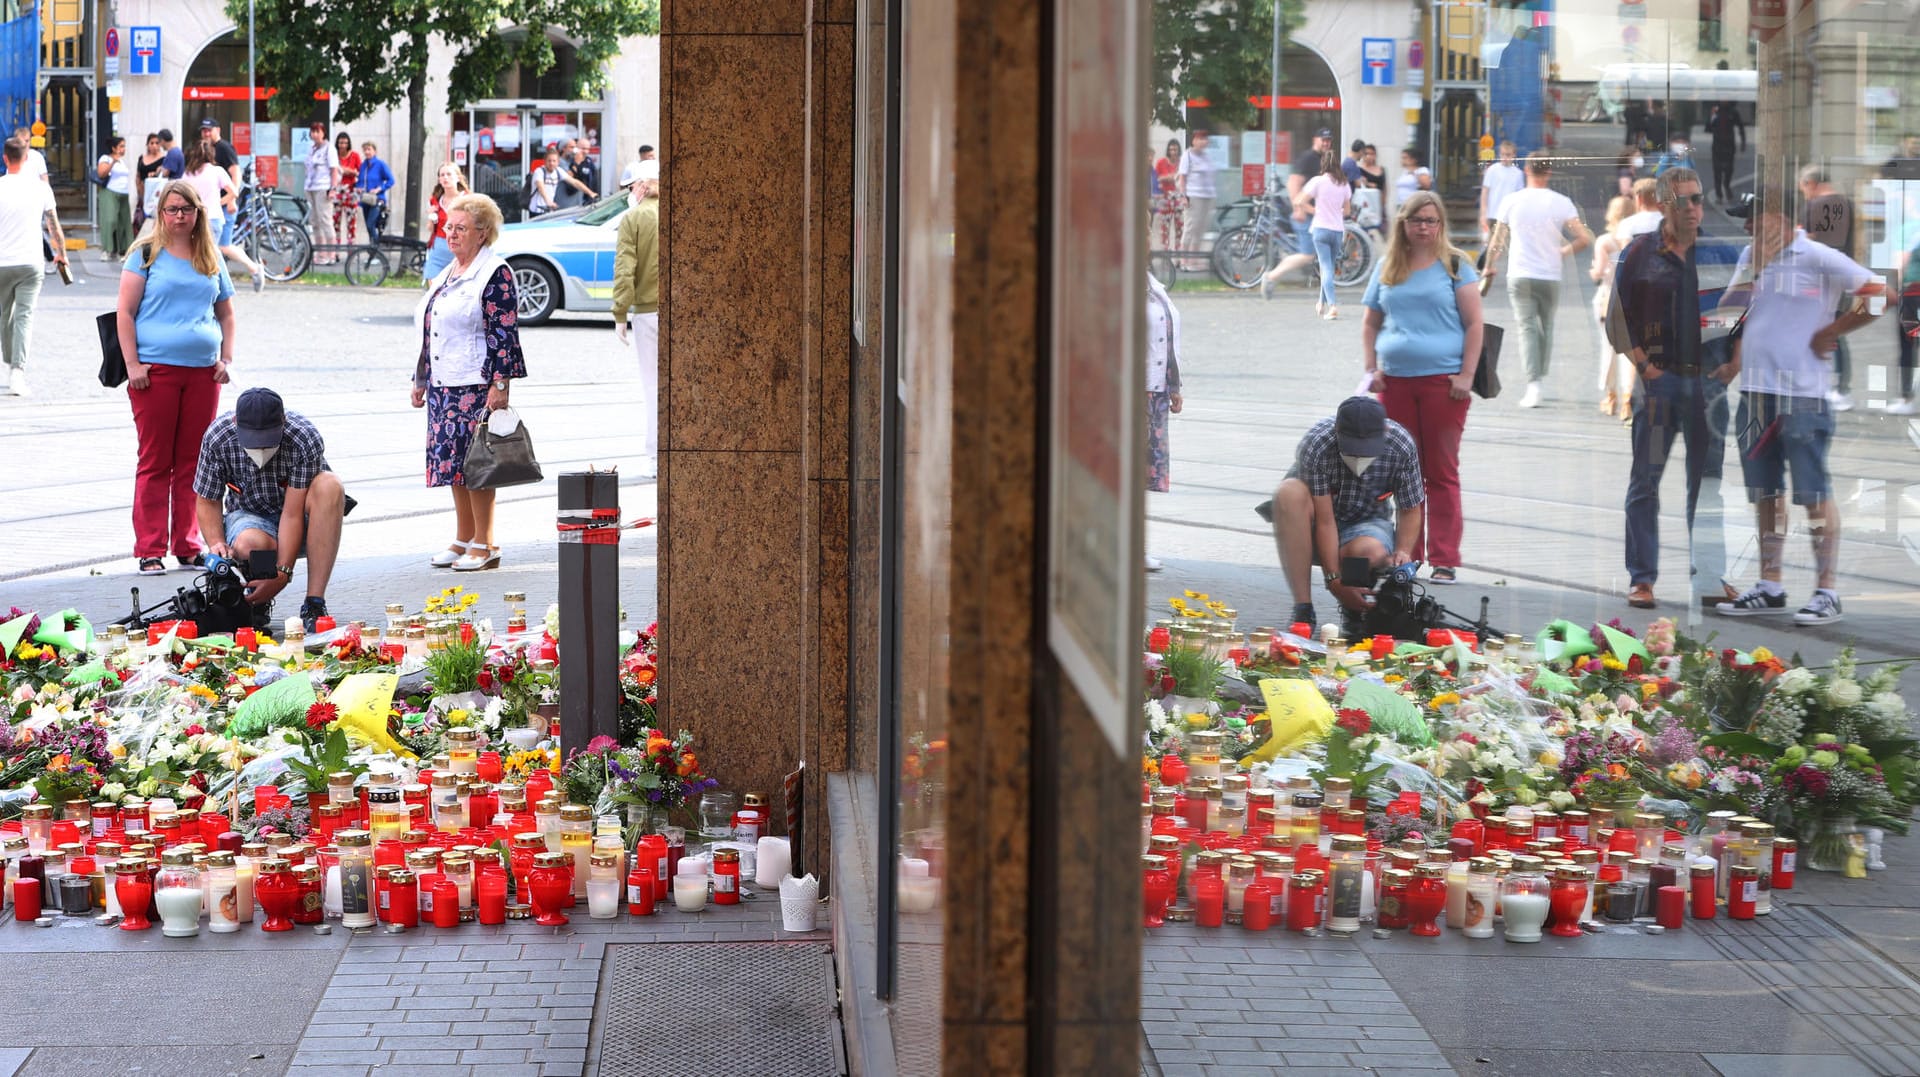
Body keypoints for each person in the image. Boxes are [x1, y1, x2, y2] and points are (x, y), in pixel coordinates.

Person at [1715, 199, 1884, 625]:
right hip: (1756, 393)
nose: (1750, 227)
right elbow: (1730, 311)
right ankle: (1770, 584)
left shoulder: (1816, 254)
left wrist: (1834, 329)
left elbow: (1881, 294)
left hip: (1802, 396)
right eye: (1747, 221)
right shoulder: (1752, 255)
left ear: (1782, 217)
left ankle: (1827, 591)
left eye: (1757, 219)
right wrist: (1754, 270)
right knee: (1766, 493)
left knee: (1812, 493)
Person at [1607, 168, 1728, 612]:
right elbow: (1617, 318)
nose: (1695, 208)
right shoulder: (1640, 253)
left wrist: (1733, 363)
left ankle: (1711, 577)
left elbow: (1742, 308)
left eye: (1698, 199)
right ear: (1663, 205)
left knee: (1708, 484)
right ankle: (1642, 579)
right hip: (1660, 384)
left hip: (1708, 385)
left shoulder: (1716, 252)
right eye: (1685, 201)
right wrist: (1644, 367)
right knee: (1646, 482)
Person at [1361, 191, 1483, 584]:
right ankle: (1406, 554)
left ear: (1441, 225)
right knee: (1401, 472)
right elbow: (1370, 323)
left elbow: (1475, 324)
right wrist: (1371, 369)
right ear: (1404, 224)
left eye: (1432, 221)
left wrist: (1467, 375)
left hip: (1443, 384)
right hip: (1394, 382)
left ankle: (1444, 557)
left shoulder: (1455, 265)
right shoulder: (1388, 266)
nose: (1425, 228)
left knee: (1440, 471)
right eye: (1418, 221)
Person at [117, 180, 234, 573]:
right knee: (155, 460)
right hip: (155, 373)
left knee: (194, 461)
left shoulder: (209, 255)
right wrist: (132, 365)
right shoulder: (145, 254)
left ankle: (187, 543)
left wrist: (226, 358)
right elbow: (125, 314)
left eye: (186, 209)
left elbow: (227, 313)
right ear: (161, 213)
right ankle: (150, 547)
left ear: (198, 213)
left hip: (203, 373)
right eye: (172, 209)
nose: (179, 216)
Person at [412, 192, 528, 572]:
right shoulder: (449, 271)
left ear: (483, 232)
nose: (451, 234)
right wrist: (421, 377)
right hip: (445, 382)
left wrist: (501, 384)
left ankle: (486, 541)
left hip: (476, 383)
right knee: (452, 466)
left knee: (478, 464)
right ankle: (463, 537)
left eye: (460, 228)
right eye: (448, 227)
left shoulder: (495, 272)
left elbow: (503, 333)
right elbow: (431, 326)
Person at [1269, 396, 1425, 633]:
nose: (1359, 458)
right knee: (1288, 493)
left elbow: (1411, 508)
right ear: (1337, 431)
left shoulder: (1401, 445)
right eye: (1353, 450)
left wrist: (1402, 551)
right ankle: (1303, 608)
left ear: (1384, 431)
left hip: (1367, 521)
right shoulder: (1317, 444)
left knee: (1370, 552)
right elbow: (1325, 521)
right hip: (1313, 522)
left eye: (1367, 451)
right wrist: (1333, 580)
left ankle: (1358, 609)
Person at [194, 388, 346, 631]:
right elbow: (207, 499)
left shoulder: (304, 437)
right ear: (236, 423)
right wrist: (217, 544)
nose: (261, 450)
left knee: (331, 486)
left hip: (299, 513)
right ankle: (256, 598)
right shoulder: (218, 437)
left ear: (283, 422)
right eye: (254, 442)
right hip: (249, 516)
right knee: (249, 543)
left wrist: (283, 574)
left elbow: (292, 513)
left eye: (268, 440)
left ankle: (314, 602)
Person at [1484, 151, 1592, 409]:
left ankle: (1534, 384)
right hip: (1550, 274)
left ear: (1526, 170)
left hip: (1520, 274)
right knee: (1546, 326)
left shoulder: (1511, 201)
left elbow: (1497, 241)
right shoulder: (1562, 202)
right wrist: (1565, 251)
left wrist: (1489, 267)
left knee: (1527, 327)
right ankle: (1539, 376)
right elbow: (1584, 237)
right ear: (1550, 172)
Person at [0, 138, 64, 397]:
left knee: (5, 316)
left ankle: (10, 363)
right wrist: (61, 254)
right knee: (24, 317)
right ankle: (17, 371)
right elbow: (53, 225)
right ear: (26, 159)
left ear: (5, 159)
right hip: (31, 262)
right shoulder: (41, 189)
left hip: (2, 262)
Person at [612, 160, 661, 476]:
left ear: (642, 186)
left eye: (631, 188)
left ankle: (657, 456)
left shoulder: (634, 217)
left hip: (648, 312)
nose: (630, 193)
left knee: (653, 386)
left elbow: (625, 268)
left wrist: (619, 312)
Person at [1798, 165, 1857, 411]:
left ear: (1810, 183)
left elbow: (1810, 241)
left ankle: (1834, 387)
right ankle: (1839, 387)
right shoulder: (1846, 204)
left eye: (1803, 189)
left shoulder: (1814, 206)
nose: (1804, 195)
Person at [182, 139, 266, 292]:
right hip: (214, 217)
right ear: (211, 154)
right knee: (213, 252)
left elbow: (182, 197)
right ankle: (218, 285)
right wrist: (218, 202)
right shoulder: (217, 171)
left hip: (194, 219)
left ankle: (212, 286)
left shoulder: (187, 174)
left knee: (203, 253)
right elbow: (234, 192)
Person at [1144, 271, 1183, 573]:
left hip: (1154, 392)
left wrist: (1174, 385)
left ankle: (1134, 545)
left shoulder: (1150, 281)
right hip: (1129, 388)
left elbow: (1167, 335)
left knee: (1140, 475)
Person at [1588, 193, 1638, 418]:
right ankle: (1629, 397)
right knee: (1630, 351)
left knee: (1608, 349)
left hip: (1608, 296)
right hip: (1633, 297)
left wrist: (1593, 271)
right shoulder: (1636, 240)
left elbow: (1598, 273)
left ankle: (1611, 397)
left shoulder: (1605, 241)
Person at [422, 163, 469, 284]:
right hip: (439, 246)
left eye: (449, 174)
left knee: (456, 288)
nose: (445, 178)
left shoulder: (467, 199)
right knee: (433, 288)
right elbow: (430, 228)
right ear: (439, 179)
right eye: (442, 175)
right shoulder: (435, 200)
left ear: (458, 177)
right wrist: (432, 217)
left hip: (460, 248)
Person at [304, 123, 341, 263]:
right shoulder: (311, 149)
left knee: (325, 220)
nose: (315, 134)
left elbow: (334, 170)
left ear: (323, 133)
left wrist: (332, 189)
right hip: (310, 187)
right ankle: (321, 253)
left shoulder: (329, 148)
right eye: (312, 132)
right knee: (314, 221)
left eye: (317, 131)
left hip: (323, 187)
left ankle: (332, 254)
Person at [1177, 130, 1217, 251]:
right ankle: (1184, 259)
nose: (1203, 142)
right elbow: (1182, 178)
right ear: (1194, 141)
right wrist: (1183, 196)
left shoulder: (1206, 156)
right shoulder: (1187, 155)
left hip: (1207, 197)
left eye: (1205, 139)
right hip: (1193, 196)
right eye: (1200, 139)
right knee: (1190, 228)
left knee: (1200, 229)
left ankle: (1193, 259)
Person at [95, 136, 132, 261]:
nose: (123, 149)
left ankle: (123, 250)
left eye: (124, 146)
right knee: (110, 220)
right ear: (114, 148)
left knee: (123, 222)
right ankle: (106, 249)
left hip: (123, 194)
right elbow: (101, 173)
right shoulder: (105, 158)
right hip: (110, 192)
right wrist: (112, 163)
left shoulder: (122, 162)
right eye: (121, 146)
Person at [1705, 91, 1745, 201]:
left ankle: (1726, 186)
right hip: (1717, 144)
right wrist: (1711, 116)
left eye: (1726, 97)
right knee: (1717, 170)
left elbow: (1741, 127)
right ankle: (1719, 194)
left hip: (1729, 144)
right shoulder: (1715, 111)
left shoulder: (1733, 112)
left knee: (1729, 169)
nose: (1724, 100)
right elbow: (1708, 129)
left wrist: (1743, 143)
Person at [1479, 140, 1523, 239]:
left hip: (1509, 217)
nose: (1505, 158)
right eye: (1503, 154)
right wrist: (1483, 214)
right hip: (1493, 215)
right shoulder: (1492, 170)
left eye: (1508, 155)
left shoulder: (1518, 174)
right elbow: (1485, 193)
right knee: (1492, 244)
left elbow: (1519, 197)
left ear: (1514, 155)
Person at [1151, 139, 1186, 251]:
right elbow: (1156, 179)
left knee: (1179, 226)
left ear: (1178, 150)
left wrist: (1172, 177)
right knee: (1165, 227)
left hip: (1178, 197)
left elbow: (1184, 178)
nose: (1173, 152)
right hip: (1165, 197)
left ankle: (1178, 251)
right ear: (1168, 150)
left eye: (1175, 149)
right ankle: (1165, 252)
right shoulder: (1161, 162)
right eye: (1171, 149)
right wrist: (1169, 177)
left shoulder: (1182, 162)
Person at [356, 142, 395, 237]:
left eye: (369, 149)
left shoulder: (380, 164)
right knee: (369, 228)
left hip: (377, 199)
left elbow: (391, 180)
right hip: (366, 200)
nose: (367, 152)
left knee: (371, 225)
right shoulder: (363, 166)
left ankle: (376, 247)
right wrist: (359, 188)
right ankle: (373, 249)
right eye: (365, 150)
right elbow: (360, 181)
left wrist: (379, 189)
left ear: (374, 151)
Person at [133, 132, 167, 233]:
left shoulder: (164, 159)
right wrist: (139, 191)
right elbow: (138, 175)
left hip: (155, 195)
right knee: (138, 221)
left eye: (157, 143)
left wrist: (156, 172)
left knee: (155, 221)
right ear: (147, 144)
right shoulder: (142, 158)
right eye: (151, 143)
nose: (154, 146)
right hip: (142, 193)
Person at [330, 132, 361, 246]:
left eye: (345, 143)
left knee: (351, 222)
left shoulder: (355, 156)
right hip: (337, 190)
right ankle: (335, 249)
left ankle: (351, 248)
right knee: (335, 221)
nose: (342, 145)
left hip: (350, 191)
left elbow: (360, 173)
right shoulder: (334, 155)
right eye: (340, 143)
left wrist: (349, 171)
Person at [557, 142, 598, 209]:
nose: (586, 151)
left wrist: (591, 194)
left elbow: (591, 180)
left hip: (578, 202)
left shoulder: (587, 161)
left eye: (588, 149)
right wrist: (577, 163)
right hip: (564, 203)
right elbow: (569, 178)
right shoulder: (562, 162)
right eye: (572, 147)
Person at [527, 146, 564, 218]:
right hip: (537, 210)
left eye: (554, 161)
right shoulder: (539, 171)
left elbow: (574, 182)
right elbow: (540, 187)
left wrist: (590, 192)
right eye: (549, 161)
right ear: (544, 161)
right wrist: (548, 201)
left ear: (558, 162)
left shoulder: (558, 171)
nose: (551, 163)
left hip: (549, 209)